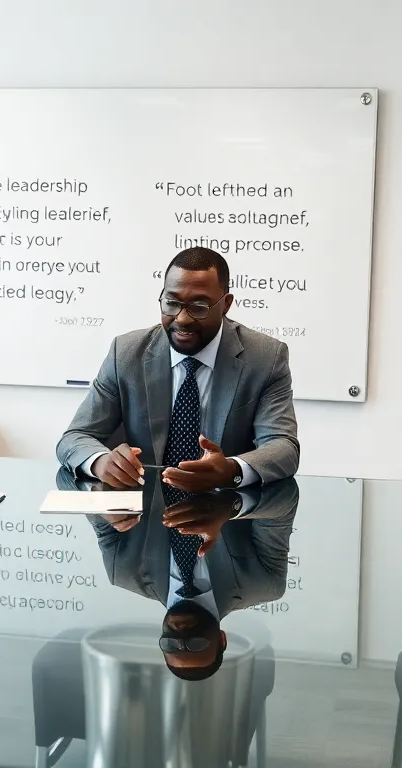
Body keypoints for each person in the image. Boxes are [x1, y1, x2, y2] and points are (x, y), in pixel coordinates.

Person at [56, 247, 299, 494]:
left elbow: (284, 447)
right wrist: (101, 462)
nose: (182, 318)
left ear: (225, 305)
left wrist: (232, 471)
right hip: (145, 516)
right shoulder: (126, 353)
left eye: (199, 306)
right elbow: (74, 437)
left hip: (226, 514)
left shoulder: (265, 358)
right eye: (171, 303)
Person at [81, 471, 299, 680]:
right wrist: (232, 506)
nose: (181, 637)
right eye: (196, 644)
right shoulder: (263, 582)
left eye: (170, 645)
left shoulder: (124, 572)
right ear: (222, 639)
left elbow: (79, 492)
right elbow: (285, 500)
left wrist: (103, 474)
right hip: (227, 450)